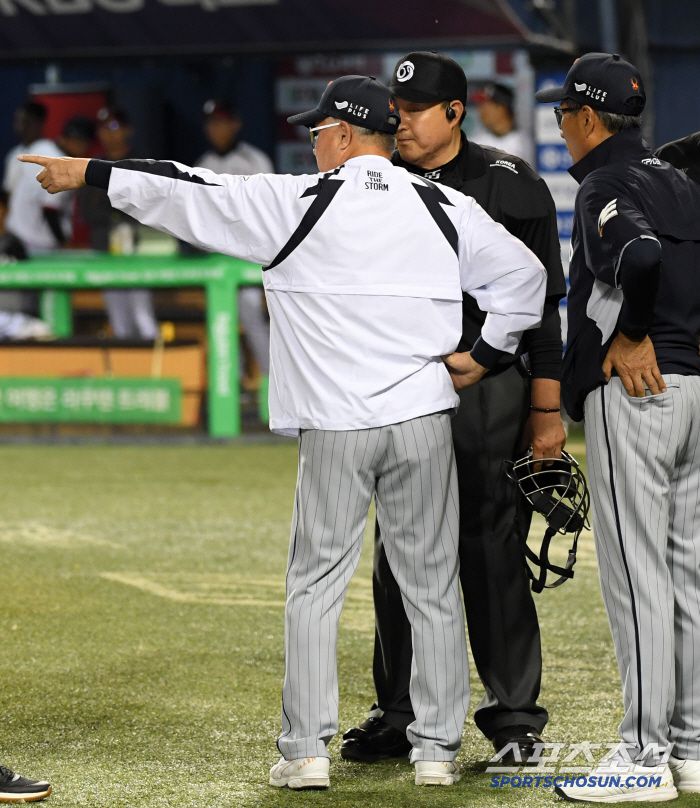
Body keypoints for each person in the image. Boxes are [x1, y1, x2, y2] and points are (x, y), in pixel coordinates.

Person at [21, 74, 547, 789]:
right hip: (422, 418)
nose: (312, 141)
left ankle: (304, 752)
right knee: (432, 586)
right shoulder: (444, 203)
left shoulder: (295, 200)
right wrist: (487, 355)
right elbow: (525, 276)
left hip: (336, 424)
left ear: (342, 135)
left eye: (318, 130)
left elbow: (185, 189)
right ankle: (436, 752)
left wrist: (89, 174)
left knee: (315, 586)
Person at [340, 51, 566, 768]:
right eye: (395, 109)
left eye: (414, 109)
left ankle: (514, 719)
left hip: (485, 382)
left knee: (491, 546)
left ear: (455, 112)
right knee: (395, 550)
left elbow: (545, 315)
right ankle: (399, 711)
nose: (399, 119)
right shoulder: (375, 182)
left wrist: (546, 413)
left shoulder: (509, 183)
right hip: (399, 382)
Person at [535, 51, 700, 802]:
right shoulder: (681, 182)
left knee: (638, 577)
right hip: (695, 389)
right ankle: (691, 749)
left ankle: (642, 756)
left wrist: (631, 333)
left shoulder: (608, 180)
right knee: (689, 577)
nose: (561, 122)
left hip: (639, 390)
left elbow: (636, 254)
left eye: (565, 111)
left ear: (590, 119)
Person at [195, 99, 273, 387]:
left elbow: (268, 213)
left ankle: (269, 384)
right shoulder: (202, 165)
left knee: (253, 320)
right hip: (218, 260)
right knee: (220, 323)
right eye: (212, 123)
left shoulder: (255, 161)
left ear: (236, 124)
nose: (217, 129)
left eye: (223, 122)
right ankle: (232, 384)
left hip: (250, 258)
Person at [88, 107, 158, 340]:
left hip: (137, 251)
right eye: (104, 128)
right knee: (118, 321)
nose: (109, 134)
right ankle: (129, 374)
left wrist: (115, 207)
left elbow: (151, 206)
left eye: (114, 127)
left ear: (128, 130)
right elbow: (88, 212)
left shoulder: (141, 162)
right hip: (105, 250)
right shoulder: (92, 166)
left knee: (143, 316)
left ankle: (157, 374)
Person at [471, 81, 534, 164]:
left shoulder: (527, 143)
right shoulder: (475, 144)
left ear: (501, 107)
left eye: (484, 105)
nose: (480, 111)